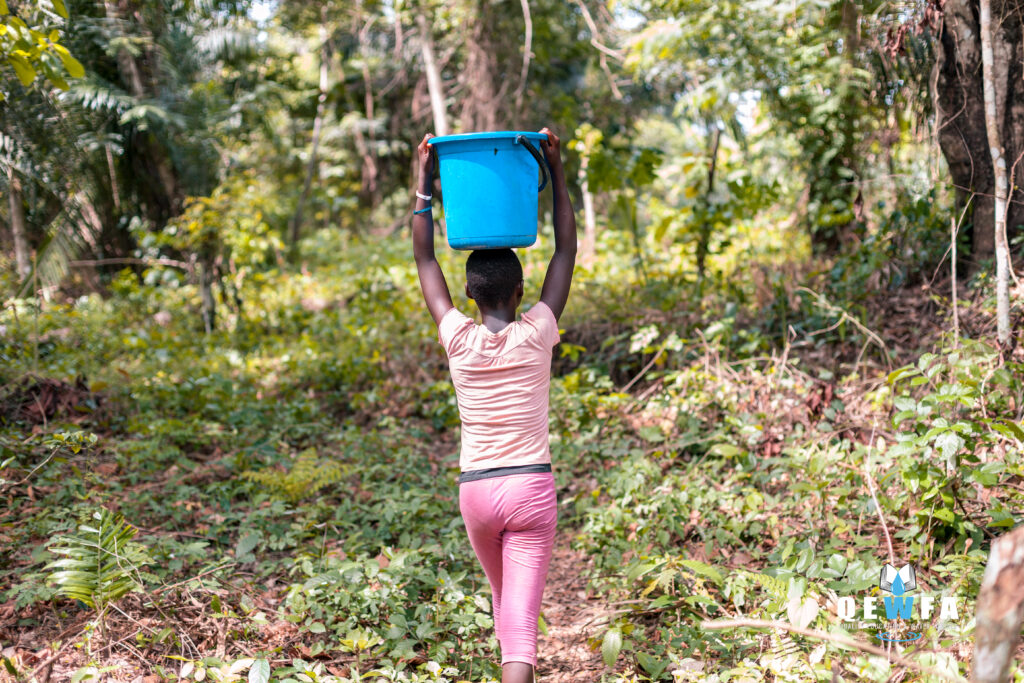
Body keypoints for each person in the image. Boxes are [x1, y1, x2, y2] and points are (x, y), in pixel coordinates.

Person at [411, 127, 577, 683]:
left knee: (508, 612)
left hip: (476, 493)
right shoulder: (538, 332)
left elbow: (425, 260)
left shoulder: (458, 337)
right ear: (521, 287)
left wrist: (424, 183)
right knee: (520, 637)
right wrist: (553, 169)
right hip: (530, 490)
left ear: (469, 295)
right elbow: (567, 249)